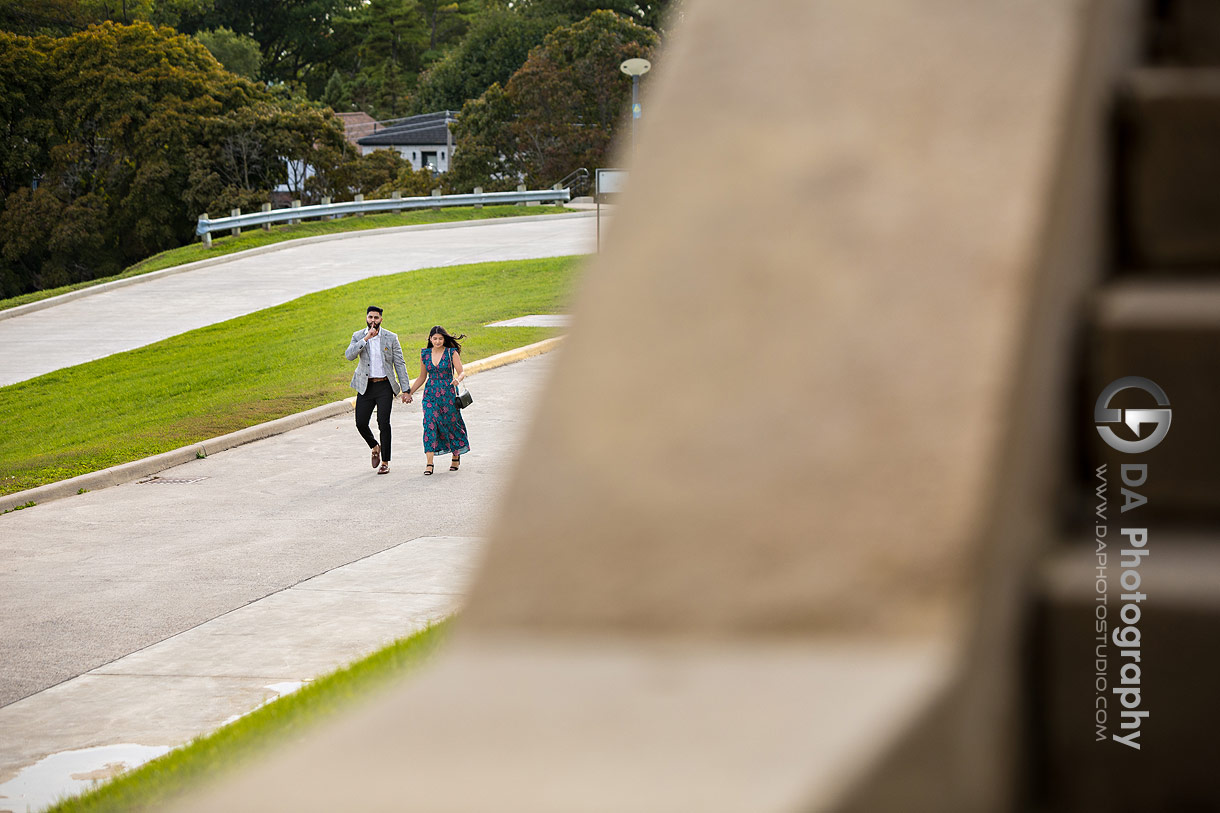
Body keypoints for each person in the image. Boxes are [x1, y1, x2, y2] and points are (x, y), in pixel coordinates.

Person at [345, 306, 411, 474]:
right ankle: (374, 446)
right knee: (360, 423)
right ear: (366, 318)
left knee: (383, 423)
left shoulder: (391, 337)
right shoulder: (358, 336)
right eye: (370, 317)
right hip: (365, 386)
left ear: (381, 319)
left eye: (376, 317)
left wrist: (406, 389)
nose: (373, 320)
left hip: (384, 386)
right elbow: (349, 355)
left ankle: (385, 462)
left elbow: (400, 363)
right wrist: (366, 338)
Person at [406, 325, 470, 475]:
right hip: (430, 394)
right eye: (434, 338)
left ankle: (456, 455)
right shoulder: (425, 354)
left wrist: (457, 379)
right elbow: (422, 377)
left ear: (444, 339)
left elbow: (461, 372)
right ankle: (429, 463)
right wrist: (409, 393)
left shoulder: (451, 353)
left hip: (448, 393)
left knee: (451, 424)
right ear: (430, 339)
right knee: (429, 423)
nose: (437, 341)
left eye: (440, 338)